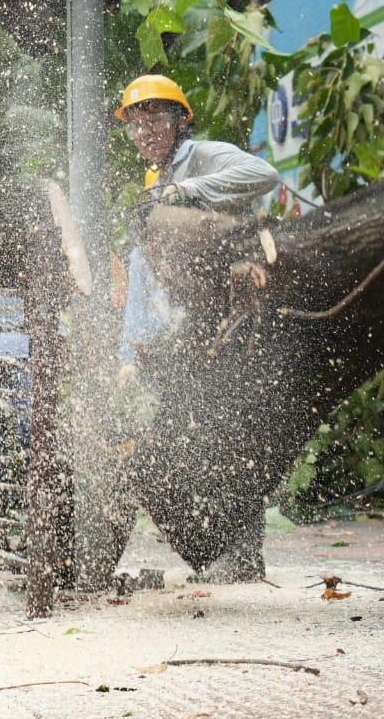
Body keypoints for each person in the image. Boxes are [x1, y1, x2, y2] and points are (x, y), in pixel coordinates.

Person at [114, 73, 279, 581]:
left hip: (229, 317)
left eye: (154, 120)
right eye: (135, 126)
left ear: (180, 119)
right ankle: (219, 550)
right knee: (192, 436)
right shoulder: (153, 184)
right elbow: (146, 276)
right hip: (181, 328)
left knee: (229, 433)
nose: (144, 133)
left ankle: (243, 555)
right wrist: (130, 350)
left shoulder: (204, 156)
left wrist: (188, 189)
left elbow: (264, 174)